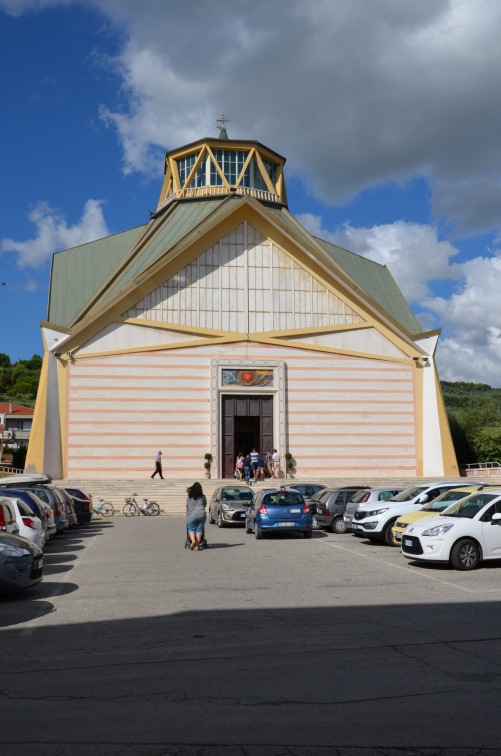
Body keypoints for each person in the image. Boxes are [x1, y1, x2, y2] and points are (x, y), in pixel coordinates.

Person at [186, 481, 207, 551]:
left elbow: (187, 506)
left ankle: (193, 541)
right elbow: (205, 505)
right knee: (199, 529)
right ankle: (197, 546)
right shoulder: (203, 496)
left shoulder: (189, 496)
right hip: (201, 514)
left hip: (192, 514)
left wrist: (187, 512)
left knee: (191, 529)